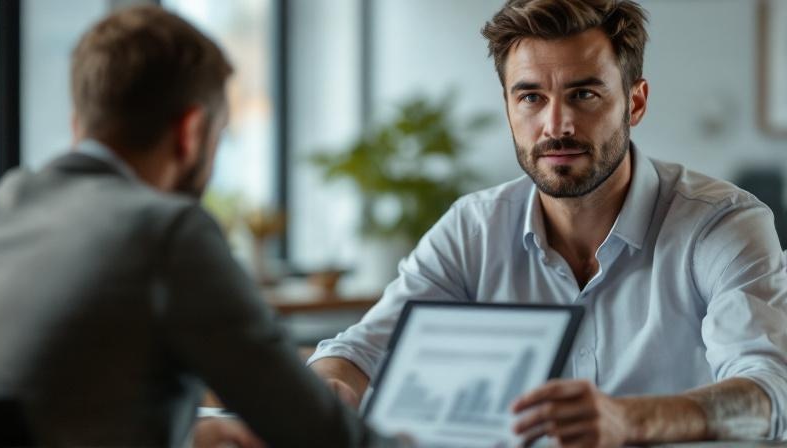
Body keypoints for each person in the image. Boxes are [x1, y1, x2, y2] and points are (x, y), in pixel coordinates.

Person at [308, 0, 787, 446]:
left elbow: (772, 392)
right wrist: (328, 389)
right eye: (531, 98)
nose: (557, 125)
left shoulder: (721, 223)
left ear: (635, 103)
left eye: (583, 94)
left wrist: (631, 420)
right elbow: (359, 351)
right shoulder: (473, 228)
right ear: (509, 108)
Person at [0, 6, 394, 447]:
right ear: (192, 131)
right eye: (220, 136)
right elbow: (322, 434)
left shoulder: (2, 208)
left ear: (78, 123)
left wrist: (187, 432)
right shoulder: (167, 232)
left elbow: (57, 400)